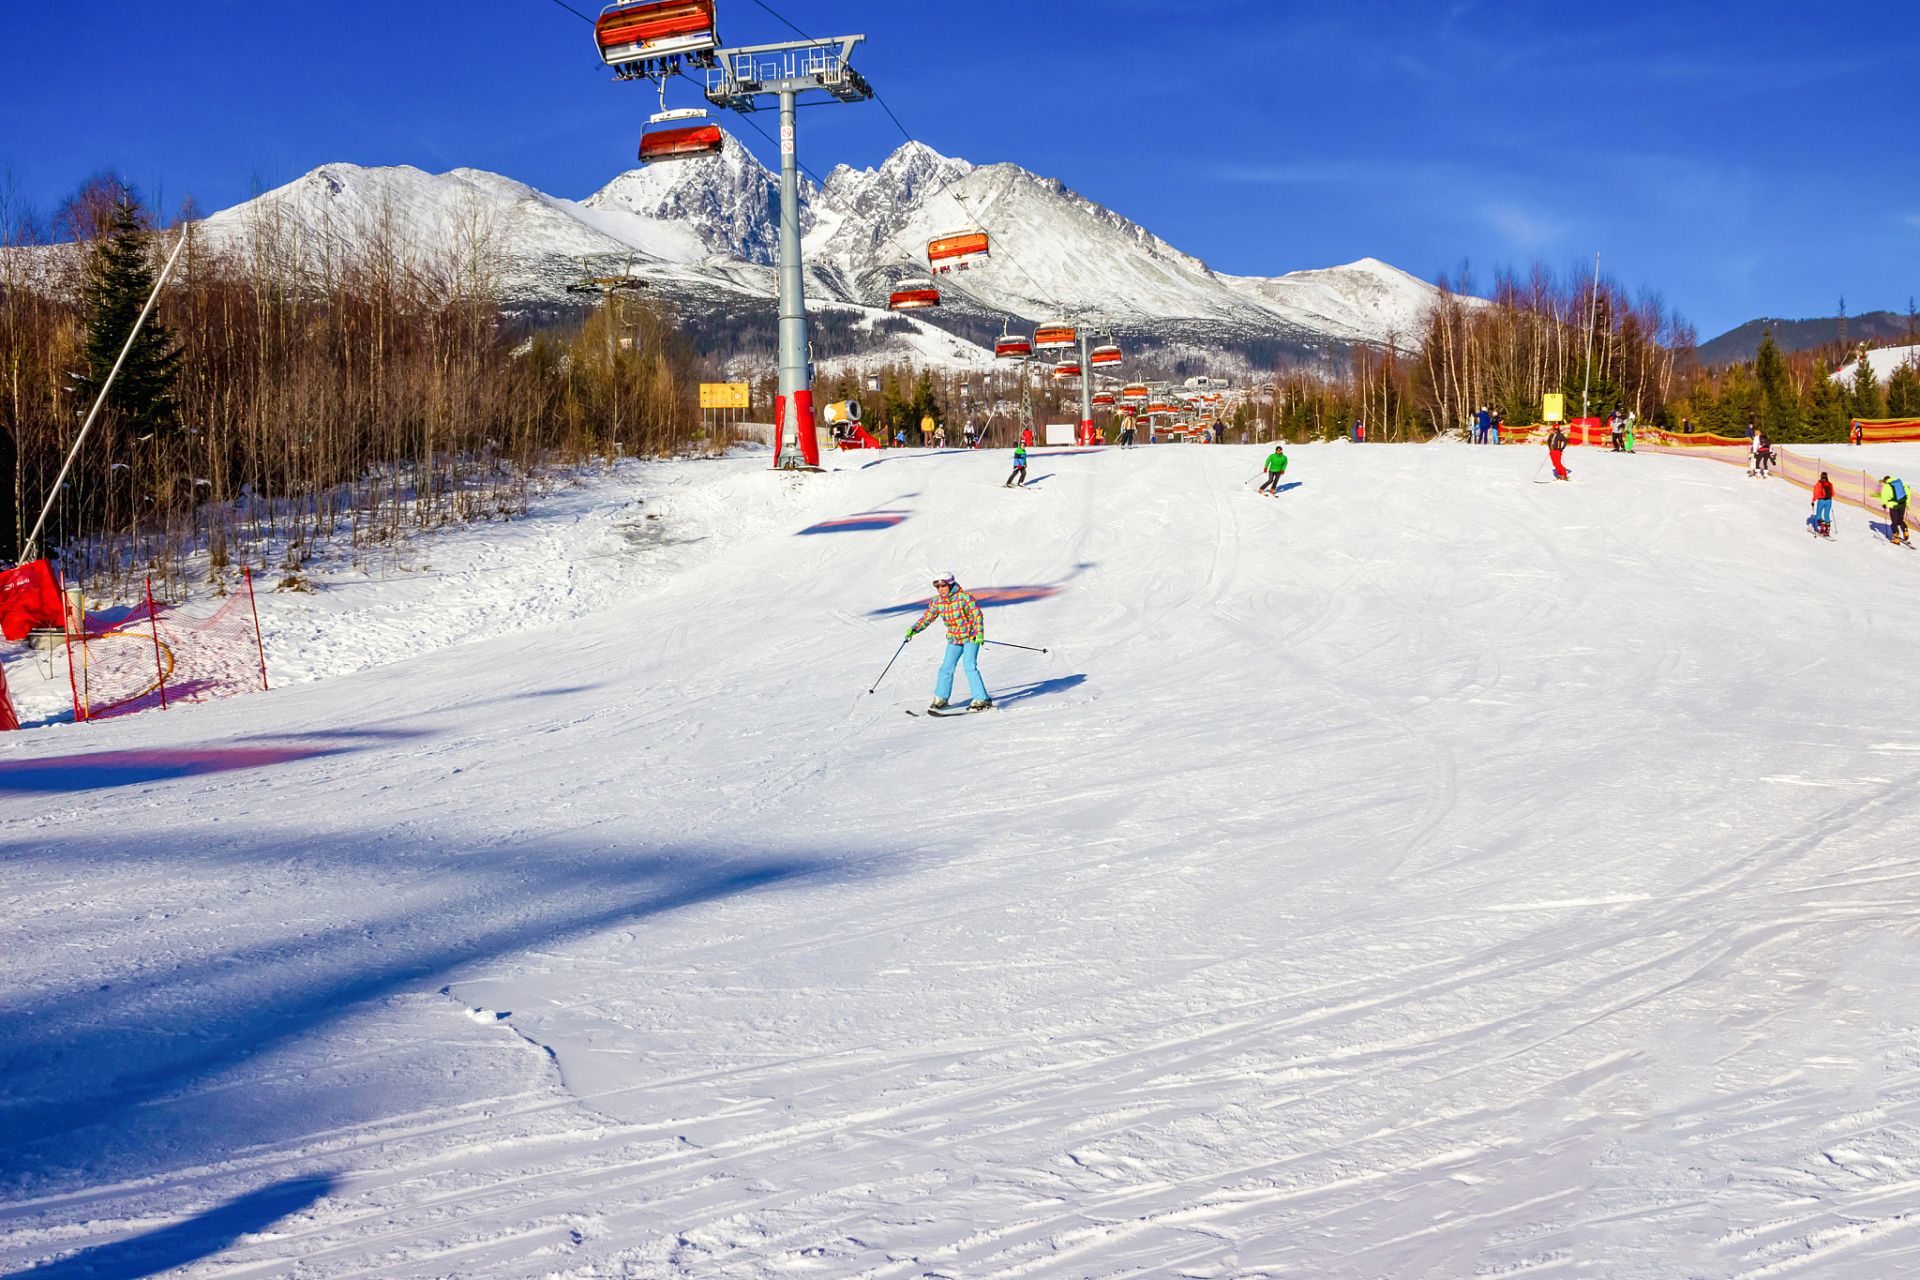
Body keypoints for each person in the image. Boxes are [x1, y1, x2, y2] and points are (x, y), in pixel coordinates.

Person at [906, 574, 991, 712]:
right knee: (946, 667)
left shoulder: (965, 597)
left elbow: (977, 615)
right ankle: (941, 698)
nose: (941, 589)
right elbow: (928, 617)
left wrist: (979, 633)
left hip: (971, 637)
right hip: (954, 638)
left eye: (943, 586)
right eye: (938, 587)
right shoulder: (937, 602)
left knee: (969, 666)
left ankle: (981, 699)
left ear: (950, 585)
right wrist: (915, 629)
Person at [1880, 475, 1910, 544]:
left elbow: (1884, 495)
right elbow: (1908, 492)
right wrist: (1907, 502)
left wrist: (1884, 504)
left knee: (1894, 522)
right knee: (1900, 519)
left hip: (1893, 505)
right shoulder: (1900, 482)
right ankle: (1905, 531)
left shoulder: (1886, 486)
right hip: (1902, 504)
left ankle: (1896, 537)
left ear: (1885, 480)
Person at [1812, 471, 1835, 537]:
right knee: (1827, 515)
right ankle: (1827, 530)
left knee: (1818, 515)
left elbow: (1816, 493)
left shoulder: (1819, 484)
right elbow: (1833, 493)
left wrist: (1813, 500)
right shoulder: (1830, 484)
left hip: (1821, 500)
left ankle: (1822, 526)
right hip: (1829, 501)